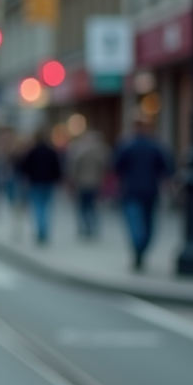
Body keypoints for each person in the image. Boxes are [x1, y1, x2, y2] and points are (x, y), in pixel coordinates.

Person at [113, 116, 171, 270]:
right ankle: (141, 248)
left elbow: (116, 167)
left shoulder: (126, 145)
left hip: (131, 191)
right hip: (150, 191)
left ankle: (138, 248)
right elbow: (166, 168)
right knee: (148, 225)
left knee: (135, 224)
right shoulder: (155, 146)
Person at [17, 130, 62, 244]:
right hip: (48, 183)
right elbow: (57, 168)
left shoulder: (33, 151)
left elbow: (23, 166)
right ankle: (44, 230)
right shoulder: (51, 151)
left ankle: (41, 231)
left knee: (38, 207)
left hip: (36, 182)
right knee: (46, 207)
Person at [66, 129, 111, 238]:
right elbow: (105, 167)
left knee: (82, 206)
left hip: (82, 183)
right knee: (92, 206)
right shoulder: (101, 152)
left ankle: (84, 227)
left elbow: (74, 167)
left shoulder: (80, 151)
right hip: (95, 183)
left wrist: (72, 180)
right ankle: (93, 226)